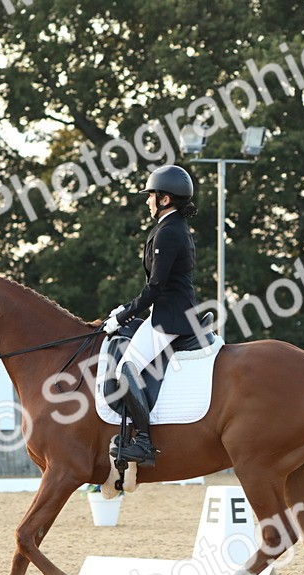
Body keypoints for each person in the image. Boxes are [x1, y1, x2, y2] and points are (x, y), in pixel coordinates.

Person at [102, 164, 200, 468]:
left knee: (124, 369)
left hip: (170, 317)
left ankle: (143, 442)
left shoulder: (170, 231)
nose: (147, 201)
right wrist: (126, 311)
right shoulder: (170, 228)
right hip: (168, 311)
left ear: (166, 199)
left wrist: (123, 315)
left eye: (151, 195)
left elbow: (155, 287)